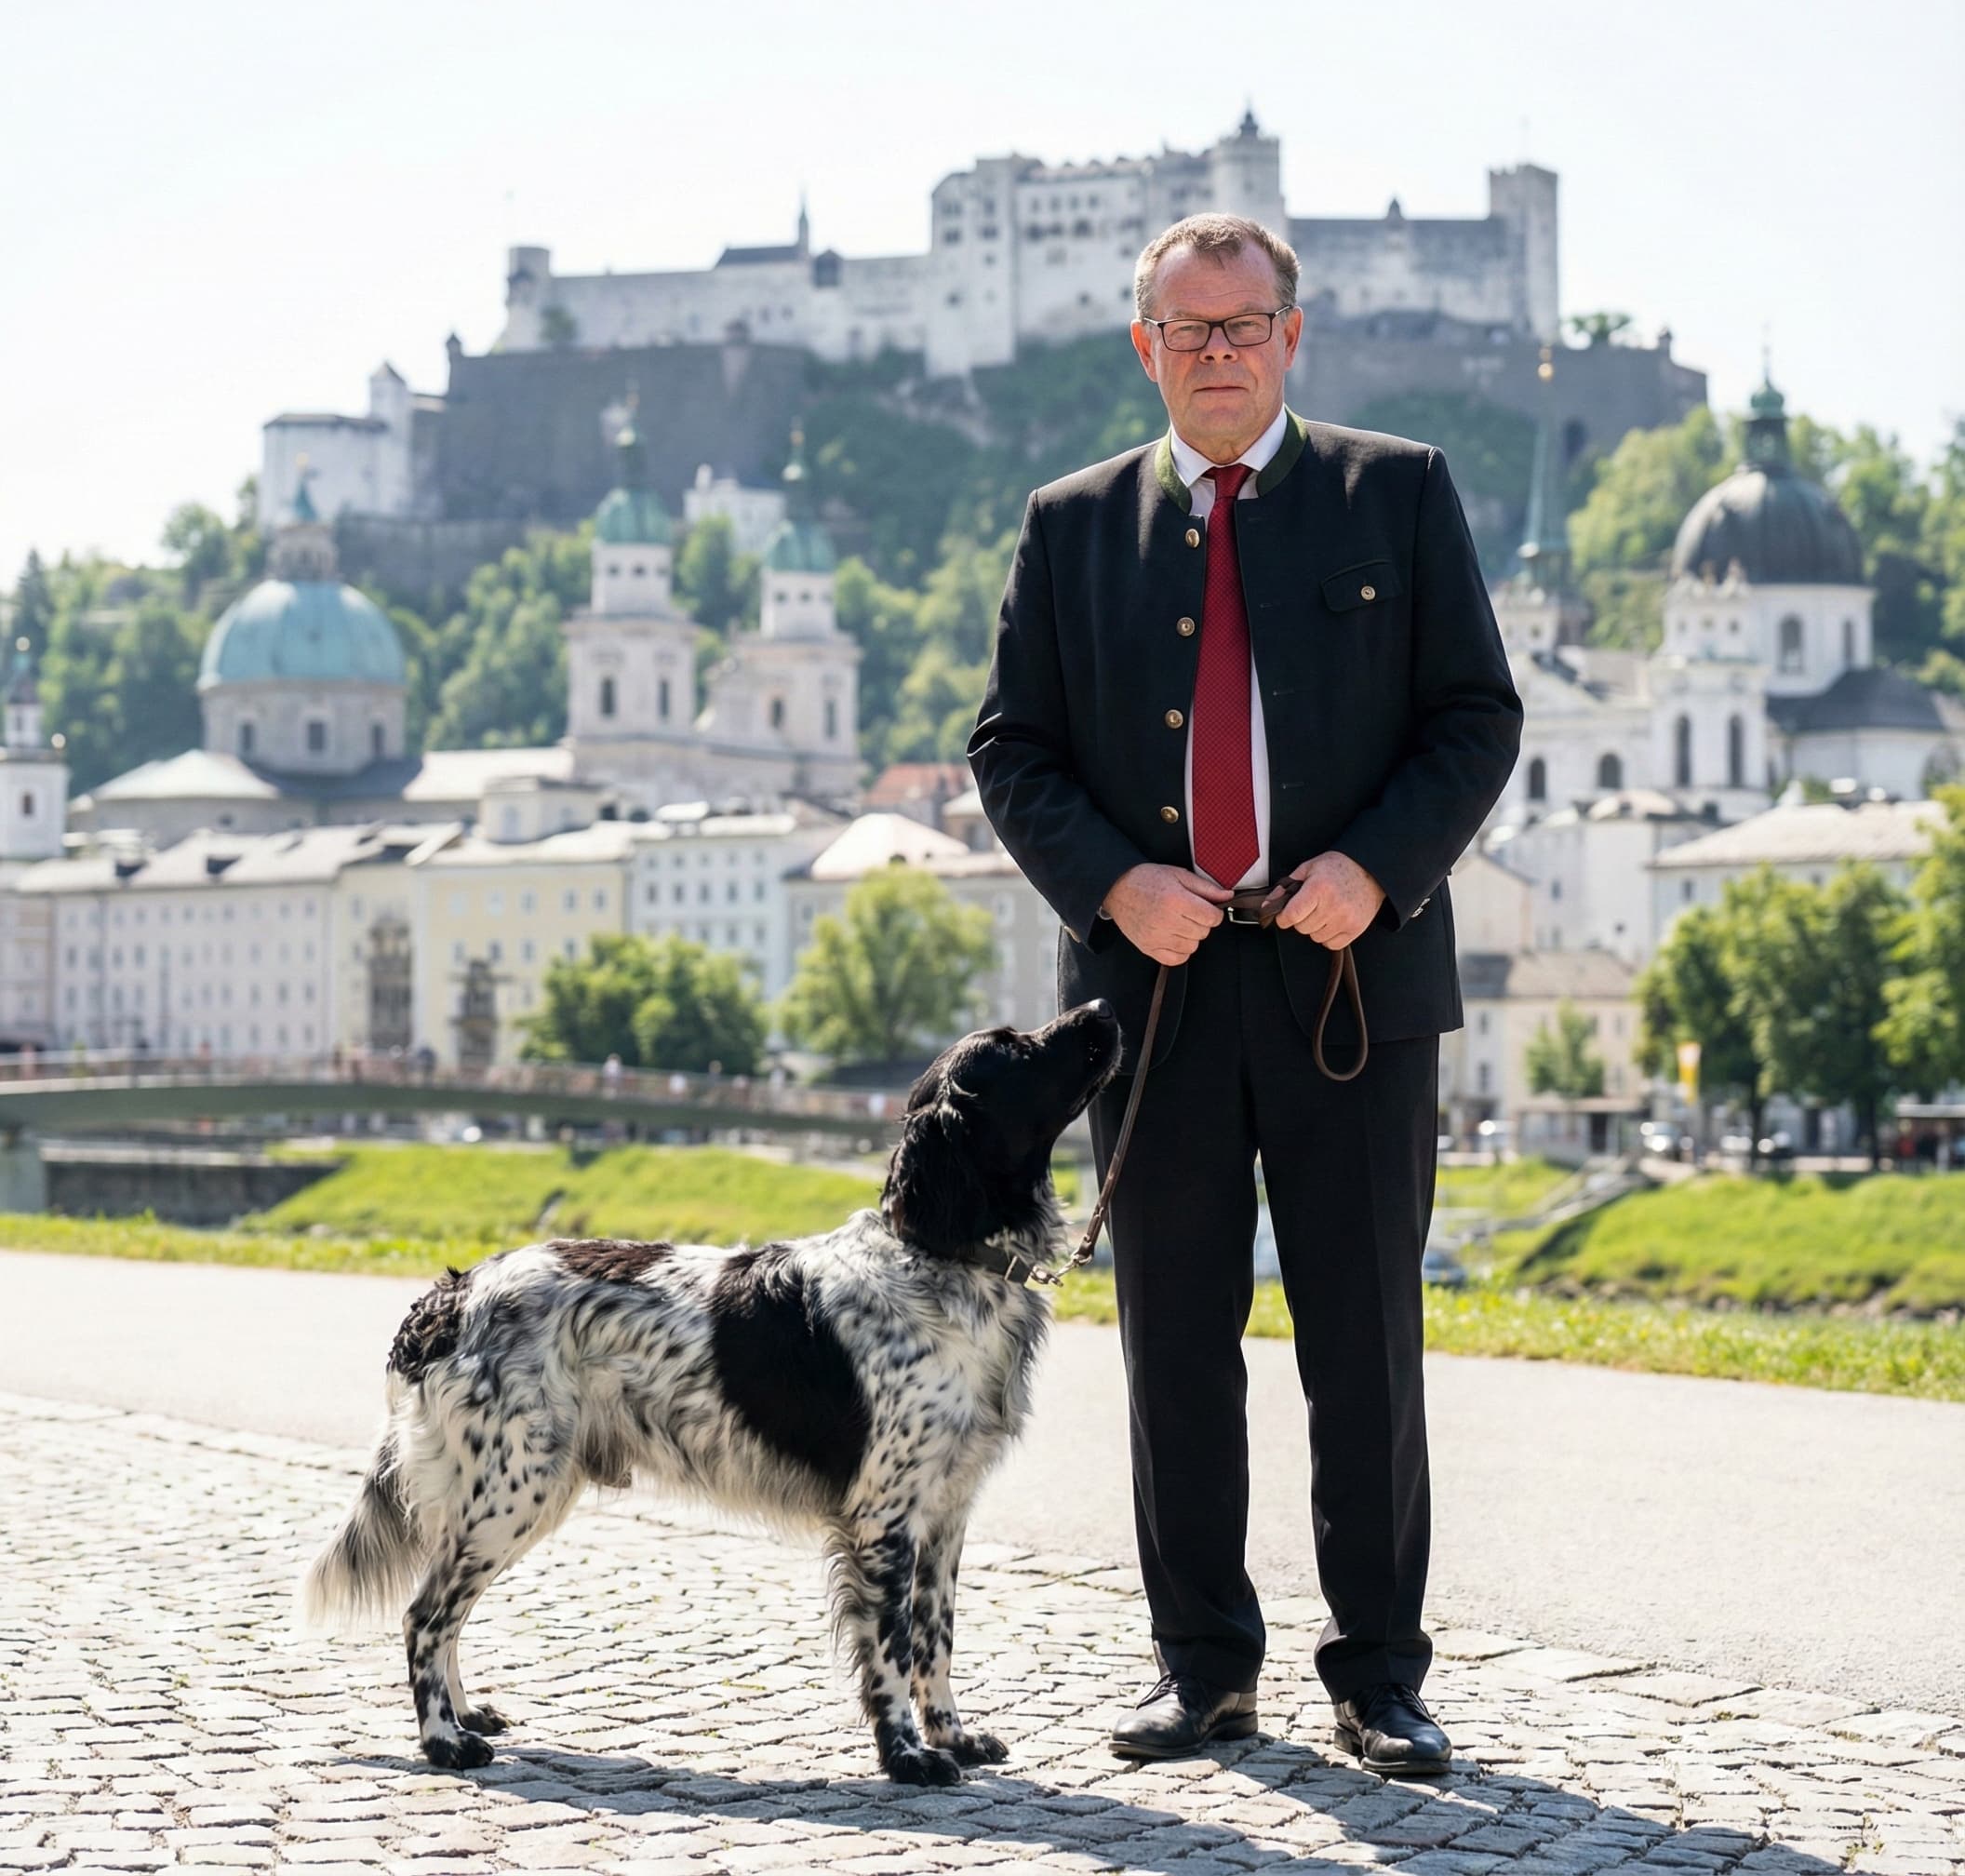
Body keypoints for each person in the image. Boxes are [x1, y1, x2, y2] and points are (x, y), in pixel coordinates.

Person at [969, 213, 1521, 1774]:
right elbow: (1010, 747)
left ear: (1295, 332)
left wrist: (1380, 868)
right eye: (1187, 330)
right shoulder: (1068, 523)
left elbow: (1477, 717)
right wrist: (1111, 885)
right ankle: (1200, 1666)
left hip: (1356, 979)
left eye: (1244, 325)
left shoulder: (1394, 489)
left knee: (1366, 1337)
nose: (1218, 353)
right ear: (1144, 346)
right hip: (1153, 997)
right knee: (1175, 1340)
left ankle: (1380, 1676)